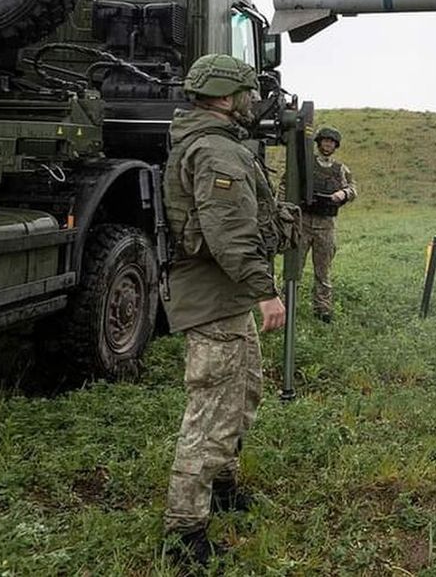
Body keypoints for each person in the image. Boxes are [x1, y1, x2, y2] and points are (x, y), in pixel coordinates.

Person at [161, 53, 286, 569]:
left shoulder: (217, 145)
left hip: (226, 296)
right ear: (224, 96)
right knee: (211, 412)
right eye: (246, 93)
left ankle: (224, 487)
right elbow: (229, 234)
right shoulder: (215, 152)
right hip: (216, 297)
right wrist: (266, 291)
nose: (253, 101)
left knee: (243, 392)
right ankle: (184, 532)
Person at [300, 125, 357, 322]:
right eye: (324, 140)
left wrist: (342, 193)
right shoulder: (306, 164)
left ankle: (322, 310)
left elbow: (352, 189)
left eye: (331, 142)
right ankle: (285, 306)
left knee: (323, 272)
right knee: (294, 269)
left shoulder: (340, 169)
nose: (327, 144)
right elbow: (286, 186)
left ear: (336, 146)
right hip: (303, 223)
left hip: (326, 225)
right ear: (318, 143)